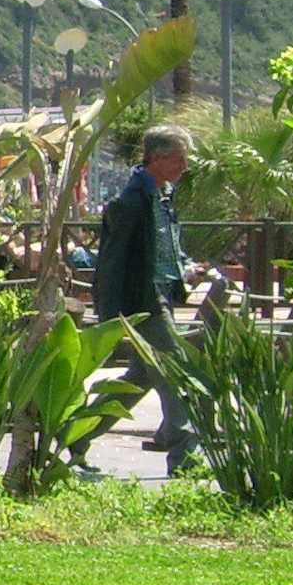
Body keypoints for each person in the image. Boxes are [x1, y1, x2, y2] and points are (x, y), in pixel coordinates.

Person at [86, 125, 207, 475]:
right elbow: (112, 262)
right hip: (145, 302)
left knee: (138, 378)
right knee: (177, 372)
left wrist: (186, 268)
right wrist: (109, 312)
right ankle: (185, 458)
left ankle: (74, 438)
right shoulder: (131, 202)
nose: (185, 166)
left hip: (159, 297)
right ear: (157, 158)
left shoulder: (162, 197)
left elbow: (165, 248)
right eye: (179, 159)